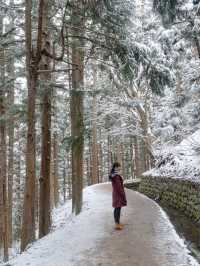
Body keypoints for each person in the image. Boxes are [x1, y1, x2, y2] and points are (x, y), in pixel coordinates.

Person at [109, 162, 127, 230]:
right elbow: (118, 187)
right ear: (115, 167)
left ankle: (118, 222)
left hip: (116, 194)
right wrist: (122, 194)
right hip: (118, 194)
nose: (120, 168)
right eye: (118, 167)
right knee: (117, 208)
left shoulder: (115, 175)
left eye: (119, 167)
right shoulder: (116, 176)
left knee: (118, 208)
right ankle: (117, 224)